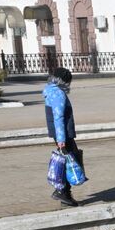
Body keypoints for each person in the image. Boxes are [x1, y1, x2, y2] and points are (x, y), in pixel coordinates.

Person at [44, 67, 82, 207]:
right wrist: (61, 140)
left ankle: (64, 194)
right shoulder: (58, 94)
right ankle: (62, 192)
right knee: (70, 162)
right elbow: (58, 117)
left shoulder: (50, 90)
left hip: (60, 134)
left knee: (68, 161)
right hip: (63, 134)